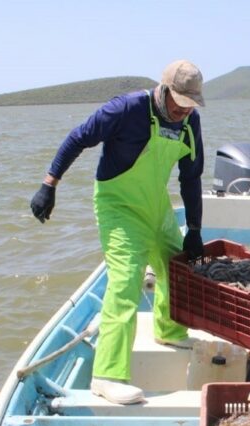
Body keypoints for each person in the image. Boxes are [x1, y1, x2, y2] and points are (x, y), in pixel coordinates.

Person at [29, 60, 206, 405]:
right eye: (180, 103)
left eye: (191, 106)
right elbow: (78, 137)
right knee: (125, 281)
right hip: (119, 207)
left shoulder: (190, 122)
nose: (184, 112)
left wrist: (195, 228)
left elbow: (191, 176)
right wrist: (49, 184)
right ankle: (107, 375)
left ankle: (170, 331)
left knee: (178, 266)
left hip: (157, 207)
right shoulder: (126, 108)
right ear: (165, 90)